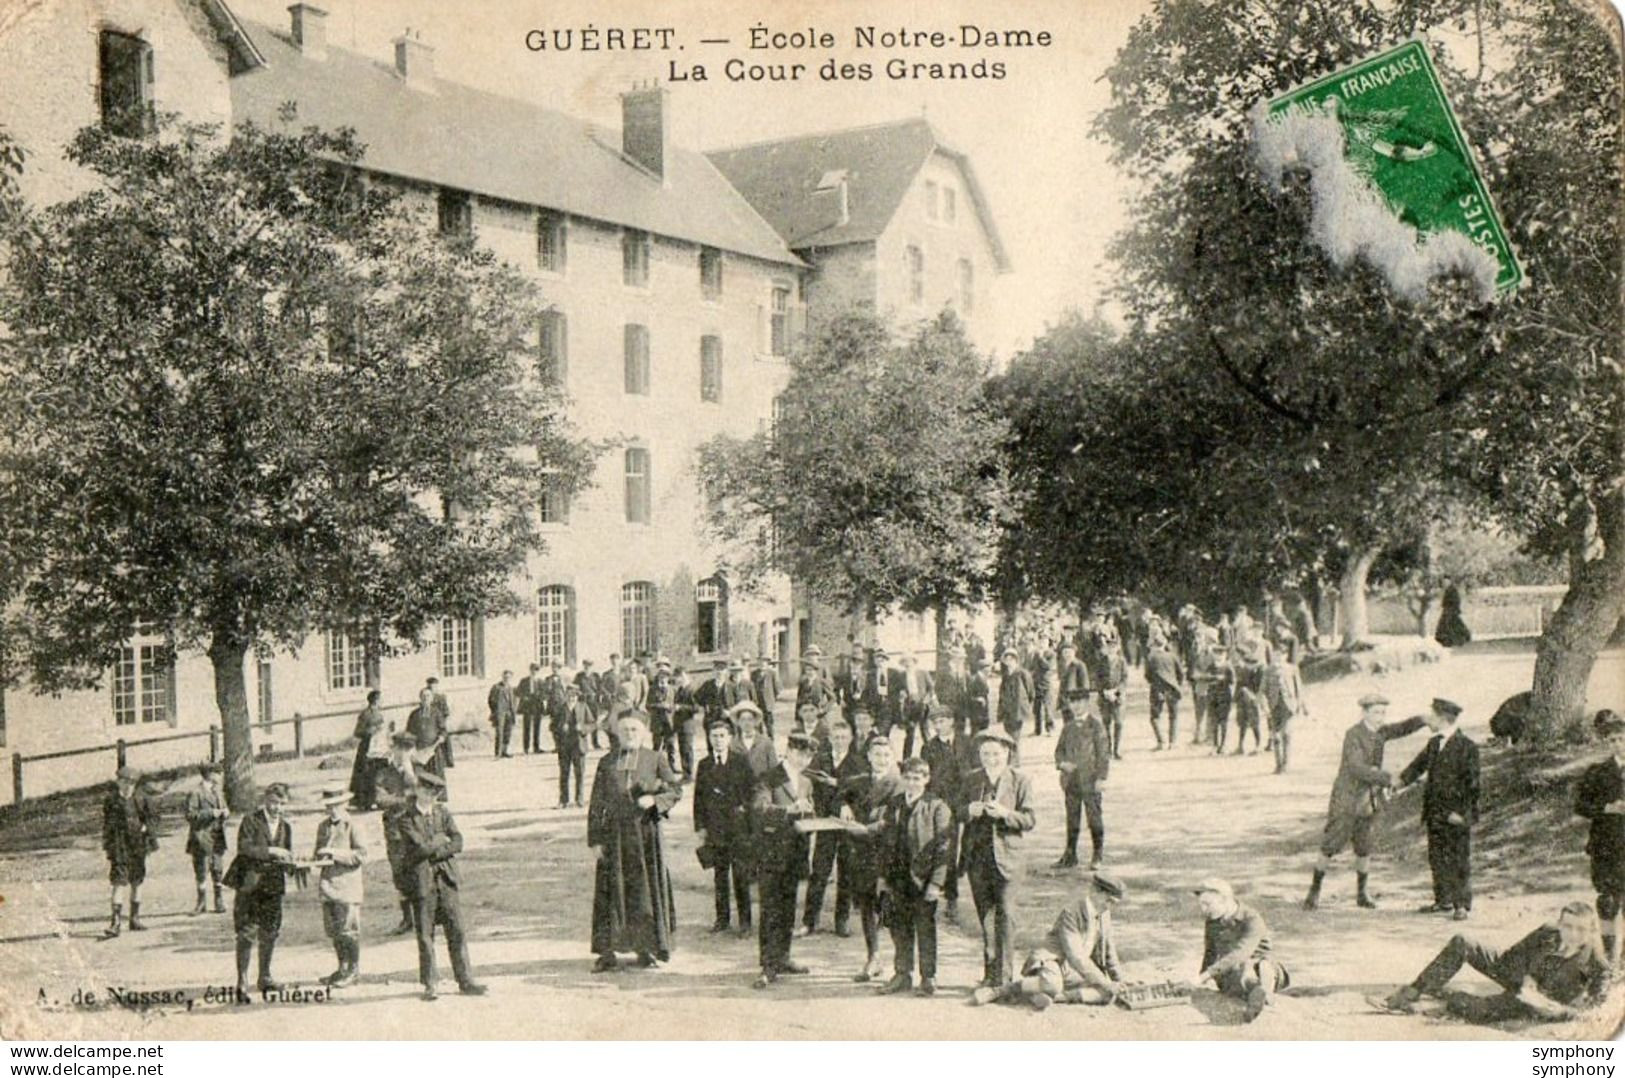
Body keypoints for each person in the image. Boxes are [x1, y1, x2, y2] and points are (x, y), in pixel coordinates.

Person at [1376, 903, 1612, 1023]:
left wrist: (1560, 1010)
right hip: (1521, 980)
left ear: (1591, 931)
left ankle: (1445, 995)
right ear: (1560, 924)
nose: (1573, 934)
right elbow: (1512, 956)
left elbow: (1595, 1009)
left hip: (1538, 1003)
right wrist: (1526, 977)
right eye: (1568, 926)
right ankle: (1413, 991)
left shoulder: (1597, 963)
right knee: (1463, 942)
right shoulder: (1548, 932)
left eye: (1581, 929)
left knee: (1477, 1010)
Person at [1303, 692, 1427, 910]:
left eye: (1383, 712)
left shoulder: (1380, 732)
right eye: (1376, 712)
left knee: (1364, 845)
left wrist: (1423, 720)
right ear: (1364, 713)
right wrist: (1388, 778)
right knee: (1331, 843)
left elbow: (1401, 728)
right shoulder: (1353, 734)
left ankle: (1362, 893)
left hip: (1367, 800)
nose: (1380, 717)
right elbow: (1355, 768)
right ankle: (1314, 891)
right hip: (1346, 798)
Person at [588, 712, 683, 971]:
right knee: (611, 892)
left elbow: (675, 790)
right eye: (625, 729)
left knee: (644, 891)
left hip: (645, 836)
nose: (629, 734)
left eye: (634, 730)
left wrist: (655, 801)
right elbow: (596, 803)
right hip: (614, 836)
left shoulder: (655, 759)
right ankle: (607, 952)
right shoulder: (607, 762)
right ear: (618, 733)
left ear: (643, 733)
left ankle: (646, 949)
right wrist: (595, 839)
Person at [973, 873, 1126, 1010]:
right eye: (1109, 901)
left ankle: (1053, 997)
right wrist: (1106, 983)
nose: (1110, 907)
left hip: (1074, 970)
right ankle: (1002, 990)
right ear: (1095, 892)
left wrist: (1120, 982)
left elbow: (1109, 951)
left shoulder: (1104, 914)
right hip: (1054, 962)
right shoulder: (1071, 912)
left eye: (1114, 903)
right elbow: (1076, 956)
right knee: (1053, 984)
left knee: (1109, 994)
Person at [398, 773, 487, 1000]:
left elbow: (458, 841)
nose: (431, 797)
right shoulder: (406, 819)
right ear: (417, 790)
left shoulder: (443, 813)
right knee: (425, 936)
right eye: (427, 792)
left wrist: (438, 847)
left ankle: (465, 980)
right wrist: (439, 841)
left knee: (456, 930)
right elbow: (418, 849)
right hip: (421, 883)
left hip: (446, 880)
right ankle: (430, 984)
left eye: (435, 794)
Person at [960, 729, 1036, 990]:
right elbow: (955, 810)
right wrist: (968, 811)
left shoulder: (1020, 780)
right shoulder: (971, 779)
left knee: (1005, 915)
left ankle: (1004, 978)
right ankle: (990, 974)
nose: (990, 758)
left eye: (995, 753)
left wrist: (1005, 813)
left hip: (1009, 860)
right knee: (986, 918)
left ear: (1007, 753)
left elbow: (1029, 820)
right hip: (978, 859)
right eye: (985, 754)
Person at [876, 756, 954, 996]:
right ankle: (902, 974)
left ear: (927, 779)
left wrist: (936, 883)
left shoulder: (937, 807)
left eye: (917, 778)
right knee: (899, 927)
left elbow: (944, 848)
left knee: (925, 928)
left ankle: (928, 976)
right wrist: (883, 876)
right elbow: (885, 843)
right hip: (898, 879)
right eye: (908, 778)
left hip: (924, 880)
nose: (912, 783)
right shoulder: (895, 804)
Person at [1398, 698, 1480, 920]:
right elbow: (1417, 766)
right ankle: (1443, 900)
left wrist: (1462, 814)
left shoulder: (1467, 747)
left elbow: (1472, 785)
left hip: (1456, 815)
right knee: (1437, 855)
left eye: (1432, 716)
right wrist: (1399, 782)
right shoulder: (1434, 743)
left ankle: (1461, 904)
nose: (1428, 720)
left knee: (1458, 857)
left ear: (1443, 718)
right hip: (1435, 812)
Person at [751, 732, 818, 988]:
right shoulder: (769, 778)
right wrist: (787, 811)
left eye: (808, 755)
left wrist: (811, 816)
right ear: (788, 750)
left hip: (795, 855)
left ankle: (784, 957)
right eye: (800, 753)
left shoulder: (805, 781)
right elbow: (759, 809)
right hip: (772, 855)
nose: (803, 759)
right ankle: (767, 966)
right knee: (770, 911)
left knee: (789, 909)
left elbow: (808, 810)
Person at [223, 782, 295, 998]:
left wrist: (293, 865)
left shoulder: (286, 826)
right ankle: (242, 981)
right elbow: (245, 849)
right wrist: (271, 851)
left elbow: (287, 854)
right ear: (265, 801)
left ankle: (264, 976)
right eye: (273, 802)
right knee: (246, 933)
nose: (276, 808)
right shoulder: (251, 820)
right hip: (250, 885)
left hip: (273, 887)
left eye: (281, 804)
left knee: (270, 932)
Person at [842, 733, 904, 982]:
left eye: (886, 755)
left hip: (887, 853)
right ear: (868, 757)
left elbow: (895, 820)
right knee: (867, 906)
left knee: (890, 908)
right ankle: (873, 957)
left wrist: (867, 829)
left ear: (893, 757)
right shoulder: (858, 781)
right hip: (862, 853)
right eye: (876, 754)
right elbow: (841, 793)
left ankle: (902, 965)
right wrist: (844, 805)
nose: (881, 759)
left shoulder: (898, 783)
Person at [1193, 877, 1289, 1022]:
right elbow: (1210, 952)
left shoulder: (1251, 918)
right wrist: (1199, 980)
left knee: (1261, 965)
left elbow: (1241, 953)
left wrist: (1203, 977)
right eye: (1201, 904)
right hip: (1233, 970)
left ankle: (1263, 985)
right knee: (1239, 975)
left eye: (1207, 904)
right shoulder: (1212, 921)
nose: (1203, 910)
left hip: (1255, 961)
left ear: (1225, 900)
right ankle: (1261, 991)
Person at [694, 716, 755, 934]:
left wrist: (747, 819)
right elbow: (698, 799)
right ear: (709, 739)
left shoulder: (741, 761)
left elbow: (752, 794)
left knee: (741, 877)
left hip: (738, 830)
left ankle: (745, 923)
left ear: (730, 738)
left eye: (722, 736)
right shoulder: (704, 765)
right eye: (714, 736)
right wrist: (700, 828)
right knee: (720, 877)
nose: (718, 740)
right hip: (715, 830)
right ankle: (722, 919)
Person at [1574, 709, 1625, 963]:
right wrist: (1606, 808)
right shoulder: (1598, 771)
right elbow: (1580, 805)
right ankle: (1607, 956)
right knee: (1607, 903)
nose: (1618, 744)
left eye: (1622, 738)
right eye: (1612, 740)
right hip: (1606, 847)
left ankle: (1624, 962)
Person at [803, 718, 862, 937]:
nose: (839, 741)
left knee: (846, 871)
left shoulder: (857, 761)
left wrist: (844, 798)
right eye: (836, 738)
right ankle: (810, 921)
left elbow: (861, 790)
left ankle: (842, 920)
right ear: (829, 739)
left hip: (846, 825)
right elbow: (807, 777)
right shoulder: (821, 759)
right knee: (819, 871)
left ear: (850, 739)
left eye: (843, 738)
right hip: (825, 823)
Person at [313, 785, 368, 988]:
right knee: (334, 930)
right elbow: (317, 854)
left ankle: (353, 970)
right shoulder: (323, 827)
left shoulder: (353, 825)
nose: (332, 810)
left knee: (349, 930)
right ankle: (342, 968)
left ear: (345, 803)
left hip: (348, 886)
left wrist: (334, 853)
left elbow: (361, 855)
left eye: (336, 805)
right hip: (328, 886)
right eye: (329, 806)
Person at [919, 705, 969, 919]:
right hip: (940, 806)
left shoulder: (967, 743)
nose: (938, 726)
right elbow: (926, 780)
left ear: (951, 721)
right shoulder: (928, 748)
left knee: (964, 850)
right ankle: (950, 897)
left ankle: (953, 893)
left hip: (963, 803)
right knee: (945, 850)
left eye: (942, 721)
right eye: (934, 723)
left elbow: (972, 774)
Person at [374, 732, 425, 934]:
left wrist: (409, 774)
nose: (402, 753)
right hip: (395, 830)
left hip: (417, 829)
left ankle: (424, 916)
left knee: (420, 871)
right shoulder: (383, 774)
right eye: (399, 749)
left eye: (407, 749)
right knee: (399, 872)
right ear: (393, 749)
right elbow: (380, 799)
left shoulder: (419, 771)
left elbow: (424, 797)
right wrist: (405, 799)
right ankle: (407, 918)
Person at [1053, 701, 1110, 870]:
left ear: (1087, 703)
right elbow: (1058, 751)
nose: (1076, 706)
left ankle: (1097, 855)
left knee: (1094, 818)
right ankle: (1070, 855)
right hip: (1071, 781)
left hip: (1090, 780)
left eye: (1080, 702)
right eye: (1073, 703)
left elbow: (1103, 754)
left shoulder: (1096, 726)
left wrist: (1101, 777)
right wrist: (1063, 764)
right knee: (1072, 818)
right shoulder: (1068, 727)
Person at [101, 767, 156, 938]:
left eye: (132, 783)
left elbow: (153, 817)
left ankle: (134, 918)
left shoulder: (141, 798)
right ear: (118, 782)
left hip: (137, 845)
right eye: (125, 782)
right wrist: (109, 845)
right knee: (118, 882)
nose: (128, 787)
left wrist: (147, 827)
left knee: (137, 881)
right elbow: (107, 825)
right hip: (120, 846)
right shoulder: (112, 801)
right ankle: (115, 922)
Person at [184, 763, 229, 916]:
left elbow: (223, 806)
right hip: (201, 836)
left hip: (217, 836)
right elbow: (190, 815)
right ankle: (201, 902)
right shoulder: (196, 792)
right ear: (209, 774)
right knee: (201, 870)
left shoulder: (218, 791)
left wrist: (225, 812)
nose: (220, 776)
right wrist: (211, 813)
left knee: (217, 868)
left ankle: (219, 900)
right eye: (217, 772)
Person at [1260, 637, 1306, 773]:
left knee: (1286, 733)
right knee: (1276, 736)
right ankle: (1278, 764)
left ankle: (1286, 764)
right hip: (1274, 706)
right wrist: (1265, 706)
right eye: (1276, 656)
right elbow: (1262, 691)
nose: (1278, 659)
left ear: (1286, 656)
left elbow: (1299, 688)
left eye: (1281, 655)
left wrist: (1299, 704)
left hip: (1288, 705)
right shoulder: (1268, 671)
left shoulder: (1292, 669)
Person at [552, 682, 592, 808]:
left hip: (579, 745)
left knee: (579, 773)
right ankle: (563, 800)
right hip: (564, 746)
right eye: (569, 695)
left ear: (577, 696)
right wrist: (560, 728)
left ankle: (579, 799)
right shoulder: (560, 708)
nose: (572, 698)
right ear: (566, 695)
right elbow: (552, 727)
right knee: (564, 773)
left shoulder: (583, 706)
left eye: (574, 695)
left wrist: (583, 728)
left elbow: (592, 724)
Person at [1144, 631, 1184, 750]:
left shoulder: (1151, 658)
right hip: (1172, 689)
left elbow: (1147, 675)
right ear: (1164, 643)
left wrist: (1154, 683)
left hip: (1157, 689)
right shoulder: (1172, 656)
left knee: (1155, 717)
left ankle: (1161, 741)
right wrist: (1177, 684)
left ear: (1155, 645)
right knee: (1174, 716)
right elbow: (1180, 674)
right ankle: (1173, 742)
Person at [349, 689, 388, 809]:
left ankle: (379, 799)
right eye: (380, 699)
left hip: (380, 747)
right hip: (367, 747)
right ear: (375, 700)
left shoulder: (380, 713)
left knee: (379, 773)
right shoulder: (365, 714)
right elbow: (357, 732)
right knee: (366, 774)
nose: (382, 701)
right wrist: (372, 730)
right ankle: (364, 802)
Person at [893, 653, 936, 758]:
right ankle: (906, 759)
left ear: (914, 662)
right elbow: (898, 690)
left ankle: (931, 756)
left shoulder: (923, 673)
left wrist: (927, 699)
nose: (908, 664)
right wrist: (901, 695)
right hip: (909, 707)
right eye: (905, 662)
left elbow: (931, 688)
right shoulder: (901, 675)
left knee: (925, 732)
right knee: (910, 734)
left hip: (922, 705)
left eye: (909, 661)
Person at [995, 648, 1034, 765]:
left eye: (1011, 659)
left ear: (1016, 660)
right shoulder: (1006, 675)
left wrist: (1025, 707)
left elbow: (1030, 692)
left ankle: (1014, 761)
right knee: (1008, 735)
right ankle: (1012, 760)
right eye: (1007, 659)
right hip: (1007, 711)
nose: (1009, 661)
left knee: (1014, 736)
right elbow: (1002, 693)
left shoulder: (1022, 673)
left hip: (1017, 711)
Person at [730, 700, 779, 778]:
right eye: (743, 719)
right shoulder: (732, 744)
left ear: (755, 721)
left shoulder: (766, 742)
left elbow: (774, 770)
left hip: (763, 786)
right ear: (738, 722)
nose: (747, 723)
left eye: (750, 719)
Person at [517, 662, 549, 755]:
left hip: (537, 705)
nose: (534, 672)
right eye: (532, 670)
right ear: (530, 670)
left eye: (536, 670)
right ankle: (526, 748)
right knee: (526, 726)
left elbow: (545, 693)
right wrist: (524, 697)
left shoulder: (541, 682)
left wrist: (541, 697)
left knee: (537, 727)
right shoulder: (524, 681)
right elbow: (518, 692)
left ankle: (536, 747)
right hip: (527, 705)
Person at [488, 669, 518, 759]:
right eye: (505, 677)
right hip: (500, 713)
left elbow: (513, 701)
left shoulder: (510, 688)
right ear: (502, 677)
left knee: (508, 732)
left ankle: (505, 751)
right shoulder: (496, 687)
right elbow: (491, 700)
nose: (507, 679)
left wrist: (513, 712)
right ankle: (498, 753)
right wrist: (495, 710)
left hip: (509, 712)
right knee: (499, 733)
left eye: (509, 677)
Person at [751, 655, 781, 739]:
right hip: (757, 703)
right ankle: (759, 740)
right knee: (758, 724)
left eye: (764, 662)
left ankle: (771, 740)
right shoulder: (753, 674)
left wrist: (772, 700)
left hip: (768, 703)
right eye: (760, 662)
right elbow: (752, 688)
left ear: (767, 663)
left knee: (769, 724)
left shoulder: (772, 673)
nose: (762, 664)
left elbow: (777, 689)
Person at [1435, 581, 1472, 648]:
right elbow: (1445, 601)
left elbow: (1456, 601)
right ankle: (1448, 641)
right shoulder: (1447, 590)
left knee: (1450, 624)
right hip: (1448, 610)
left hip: (1451, 610)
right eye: (1444, 583)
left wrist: (1451, 608)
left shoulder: (1453, 590)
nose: (1444, 584)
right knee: (1449, 624)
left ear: (1449, 582)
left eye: (1446, 582)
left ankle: (1454, 640)